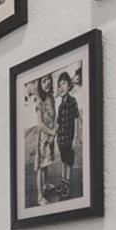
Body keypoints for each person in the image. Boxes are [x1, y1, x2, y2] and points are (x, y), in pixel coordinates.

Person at [54, 72, 81, 200]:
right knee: (63, 160)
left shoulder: (72, 101)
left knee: (69, 162)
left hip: (69, 139)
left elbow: (76, 119)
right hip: (61, 139)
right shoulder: (60, 106)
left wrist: (76, 137)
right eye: (59, 85)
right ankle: (63, 180)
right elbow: (58, 123)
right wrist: (55, 136)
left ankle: (67, 183)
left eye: (64, 84)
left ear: (69, 85)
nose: (61, 87)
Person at [33, 76, 57, 206]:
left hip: (50, 137)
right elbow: (40, 125)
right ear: (39, 85)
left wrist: (53, 132)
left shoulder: (51, 98)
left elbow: (54, 116)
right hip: (43, 139)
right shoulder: (39, 101)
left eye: (48, 79)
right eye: (43, 81)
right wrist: (51, 132)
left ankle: (45, 185)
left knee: (46, 164)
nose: (47, 83)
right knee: (41, 167)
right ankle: (39, 196)